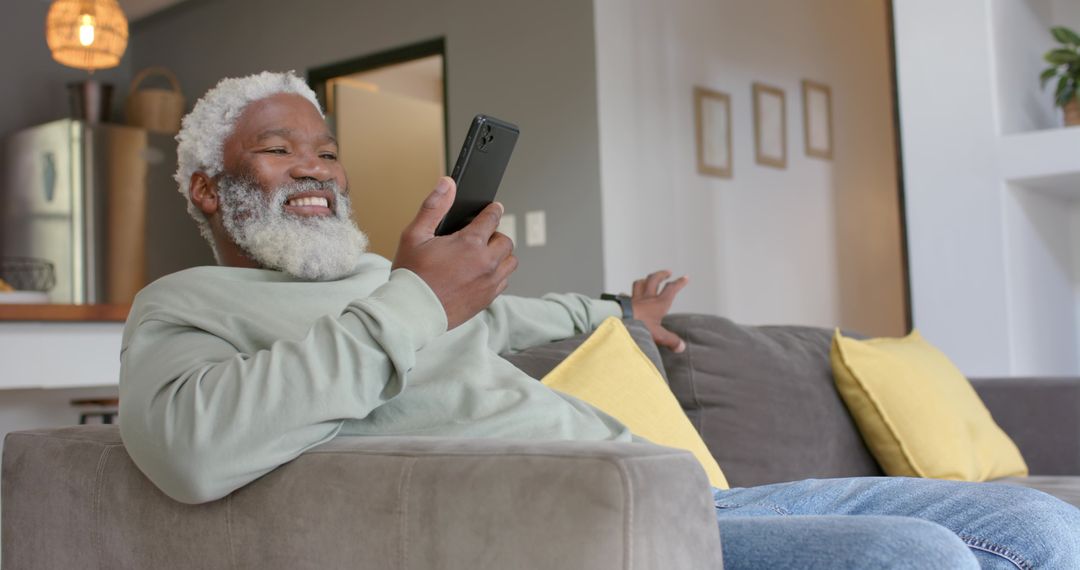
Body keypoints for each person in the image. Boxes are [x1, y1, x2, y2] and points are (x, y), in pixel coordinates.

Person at [119, 71, 1080, 569]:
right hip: (575, 531)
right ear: (209, 188)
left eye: (327, 152)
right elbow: (193, 451)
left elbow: (519, 314)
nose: (320, 169)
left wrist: (621, 310)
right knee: (912, 559)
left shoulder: (382, 282)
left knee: (1041, 527)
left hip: (685, 497)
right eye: (281, 151)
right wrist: (414, 298)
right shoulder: (185, 307)